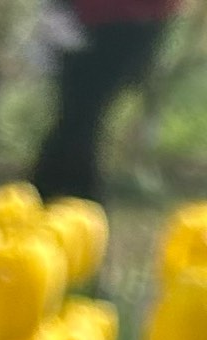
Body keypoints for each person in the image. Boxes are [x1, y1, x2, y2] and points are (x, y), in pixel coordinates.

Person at [33, 0, 184, 206]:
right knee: (79, 113)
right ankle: (64, 196)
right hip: (81, 21)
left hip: (129, 22)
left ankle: (61, 196)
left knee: (82, 114)